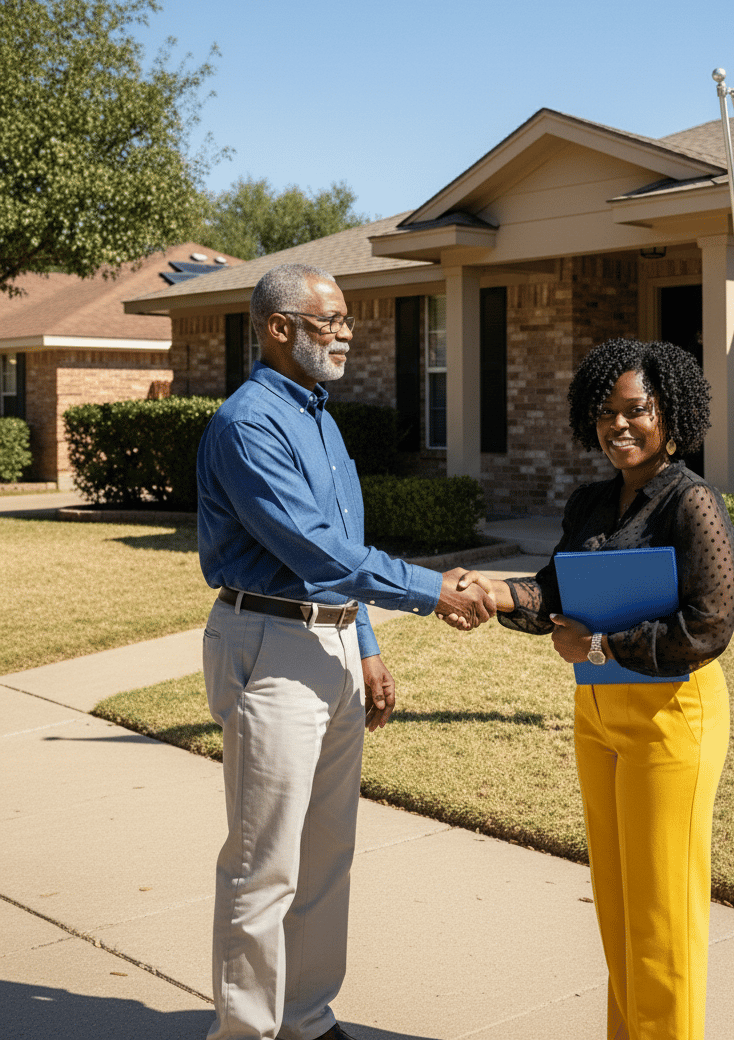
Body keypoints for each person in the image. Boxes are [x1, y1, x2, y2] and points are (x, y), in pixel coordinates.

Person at [196, 262, 495, 1040]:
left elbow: (344, 553)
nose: (347, 334)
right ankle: (245, 1031)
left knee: (328, 855)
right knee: (265, 862)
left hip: (327, 644)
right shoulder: (248, 424)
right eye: (330, 321)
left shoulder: (321, 418)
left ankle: (304, 1016)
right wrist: (432, 592)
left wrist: (363, 643)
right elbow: (316, 549)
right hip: (269, 642)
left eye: (348, 321)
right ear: (278, 327)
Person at [471, 338, 734, 1040]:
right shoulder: (591, 502)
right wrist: (495, 593)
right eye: (605, 413)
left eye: (635, 410)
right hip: (598, 713)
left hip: (672, 720)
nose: (618, 425)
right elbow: (554, 592)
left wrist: (600, 645)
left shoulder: (693, 502)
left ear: (669, 413)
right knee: (619, 912)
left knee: (663, 919)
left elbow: (708, 628)